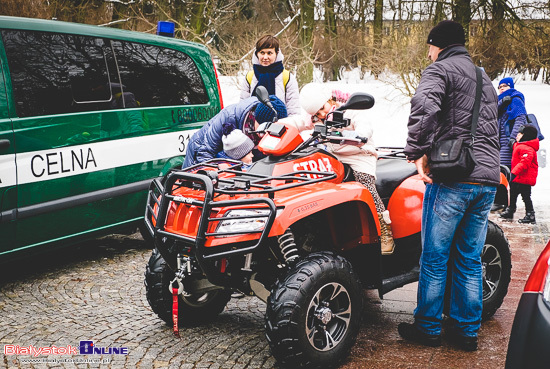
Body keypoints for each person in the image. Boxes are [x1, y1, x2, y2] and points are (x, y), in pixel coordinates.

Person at [399, 20, 500, 352]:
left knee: (434, 256)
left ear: (437, 45)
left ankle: (428, 327)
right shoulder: (483, 77)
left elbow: (424, 108)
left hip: (454, 176)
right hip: (486, 179)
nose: (428, 54)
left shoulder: (440, 70)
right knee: (470, 258)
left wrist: (416, 151)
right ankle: (465, 332)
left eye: (429, 47)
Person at [282, 83, 396, 254]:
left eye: (322, 108)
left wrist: (360, 134)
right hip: (335, 158)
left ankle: (385, 229)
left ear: (330, 99)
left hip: (359, 155)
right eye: (316, 113)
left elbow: (364, 124)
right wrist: (278, 126)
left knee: (364, 182)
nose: (321, 114)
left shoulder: (349, 110)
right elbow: (297, 121)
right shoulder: (316, 118)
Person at [182, 95, 287, 168]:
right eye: (264, 129)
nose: (265, 135)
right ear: (256, 118)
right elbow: (205, 152)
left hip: (234, 162)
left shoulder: (266, 129)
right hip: (200, 152)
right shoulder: (229, 116)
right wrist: (219, 171)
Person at [240, 35, 301, 116]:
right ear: (257, 54)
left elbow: (293, 111)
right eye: (262, 53)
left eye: (269, 53)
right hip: (253, 126)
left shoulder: (287, 77)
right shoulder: (250, 77)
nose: (265, 57)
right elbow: (242, 109)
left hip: (280, 125)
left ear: (276, 53)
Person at [499, 124, 539, 223]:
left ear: (526, 136)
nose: (517, 135)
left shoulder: (528, 148)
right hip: (518, 178)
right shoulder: (521, 146)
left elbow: (524, 162)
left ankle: (530, 214)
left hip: (524, 178)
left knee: (526, 197)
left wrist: (513, 172)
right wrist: (513, 144)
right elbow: (517, 148)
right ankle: (510, 210)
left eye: (520, 134)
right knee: (512, 194)